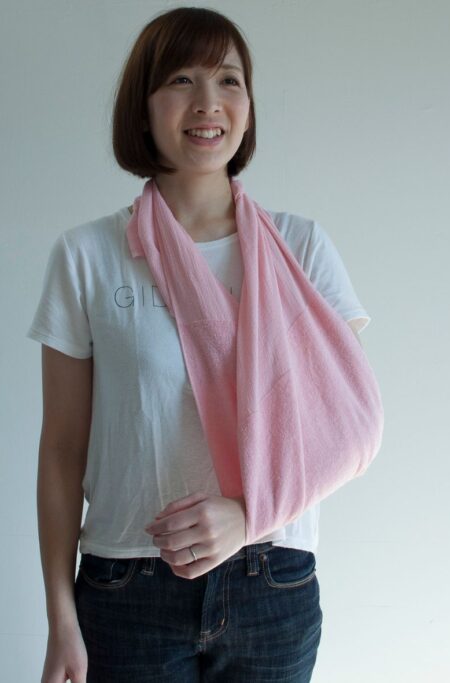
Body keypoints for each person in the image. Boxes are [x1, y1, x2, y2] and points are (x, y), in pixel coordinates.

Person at [29, 7, 373, 682]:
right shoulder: (88, 255)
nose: (208, 102)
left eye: (229, 80)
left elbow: (347, 430)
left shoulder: (300, 247)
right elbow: (62, 449)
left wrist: (247, 516)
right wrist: (60, 617)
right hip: (127, 587)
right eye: (181, 80)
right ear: (144, 106)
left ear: (248, 106)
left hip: (272, 581)